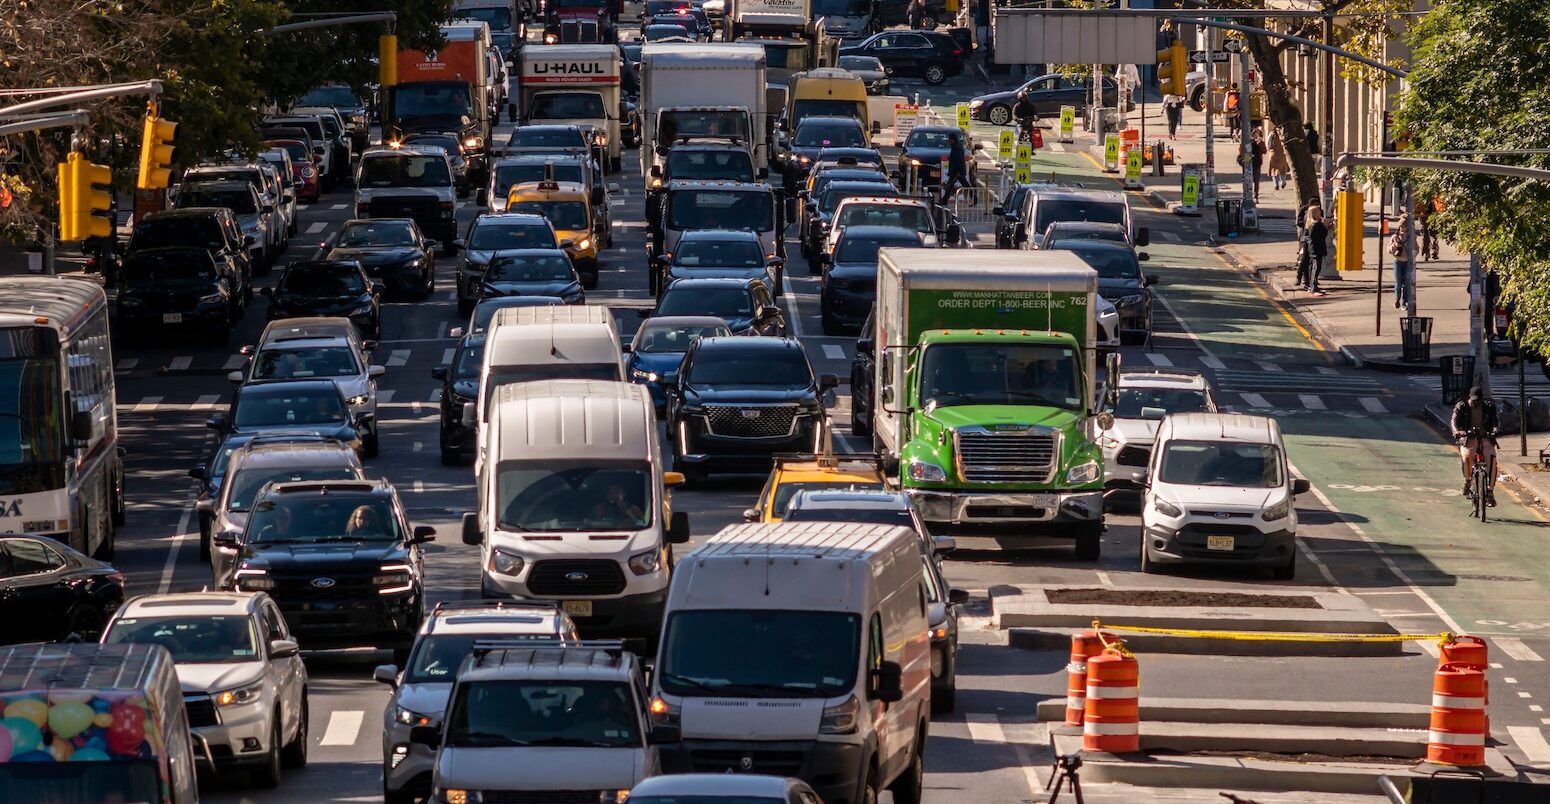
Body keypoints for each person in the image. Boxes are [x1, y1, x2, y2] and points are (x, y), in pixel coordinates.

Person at [1451, 386, 1499, 506]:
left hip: (1486, 438)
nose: (1475, 402)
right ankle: (1467, 481)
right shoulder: (1461, 406)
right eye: (1473, 400)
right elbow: (1454, 421)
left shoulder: (1489, 407)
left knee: (1492, 459)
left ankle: (1490, 491)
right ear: (1469, 398)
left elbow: (1495, 421)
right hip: (1468, 439)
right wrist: (1457, 431)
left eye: (1478, 400)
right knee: (1467, 457)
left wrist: (1495, 430)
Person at [1298, 205, 1328, 295]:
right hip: (1316, 248)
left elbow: (1307, 236)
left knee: (1313, 266)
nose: (1320, 212)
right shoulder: (1316, 224)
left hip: (1312, 248)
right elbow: (1322, 235)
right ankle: (1313, 287)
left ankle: (1313, 285)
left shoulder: (1309, 223)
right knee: (1316, 267)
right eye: (1318, 211)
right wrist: (1325, 226)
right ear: (1315, 213)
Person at [1389, 212, 1414, 309]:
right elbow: (1388, 249)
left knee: (1407, 283)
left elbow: (1416, 248)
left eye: (1405, 227)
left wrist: (1413, 254)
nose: (1403, 229)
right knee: (1398, 283)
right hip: (1398, 262)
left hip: (1408, 262)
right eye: (1401, 227)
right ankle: (1397, 299)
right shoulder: (1395, 237)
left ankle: (1405, 302)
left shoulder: (1411, 237)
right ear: (1399, 227)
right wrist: (1395, 245)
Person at [938, 130, 968, 205]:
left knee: (952, 185)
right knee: (951, 186)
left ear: (953, 139)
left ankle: (944, 200)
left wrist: (958, 171)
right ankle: (944, 200)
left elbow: (959, 160)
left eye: (949, 139)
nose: (948, 141)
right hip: (956, 171)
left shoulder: (957, 147)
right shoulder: (956, 146)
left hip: (957, 171)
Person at [1249, 129, 1267, 199]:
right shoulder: (1248, 142)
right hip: (1249, 164)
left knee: (1256, 180)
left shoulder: (1259, 143)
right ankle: (1249, 194)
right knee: (1248, 180)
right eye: (1254, 135)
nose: (1256, 136)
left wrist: (1260, 143)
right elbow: (1243, 151)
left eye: (1257, 135)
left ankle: (1256, 194)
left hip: (1257, 164)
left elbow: (1264, 151)